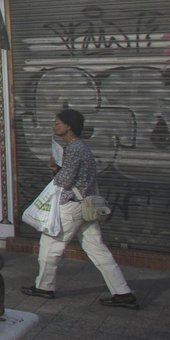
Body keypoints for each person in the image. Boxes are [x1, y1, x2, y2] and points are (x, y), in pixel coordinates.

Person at [23, 109, 137, 309]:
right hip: (86, 207)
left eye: (57, 123)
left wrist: (55, 171)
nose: (53, 126)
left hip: (72, 206)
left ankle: (44, 287)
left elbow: (65, 181)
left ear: (68, 126)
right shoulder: (83, 148)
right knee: (98, 250)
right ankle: (123, 292)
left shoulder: (74, 149)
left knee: (50, 245)